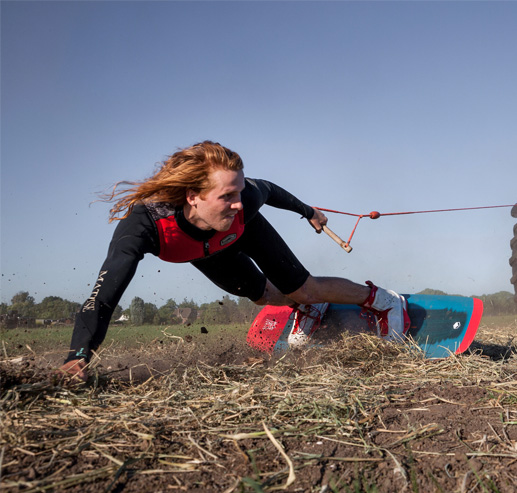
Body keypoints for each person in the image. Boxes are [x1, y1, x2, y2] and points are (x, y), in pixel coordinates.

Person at [58, 141, 410, 382]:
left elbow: (268, 189)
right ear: (192, 197)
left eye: (239, 191)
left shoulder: (246, 204)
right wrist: (78, 356)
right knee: (261, 296)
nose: (239, 201)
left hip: (244, 234)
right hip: (202, 252)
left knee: (305, 289)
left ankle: (383, 301)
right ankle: (311, 312)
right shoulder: (142, 227)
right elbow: (102, 299)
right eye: (227, 196)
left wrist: (309, 212)